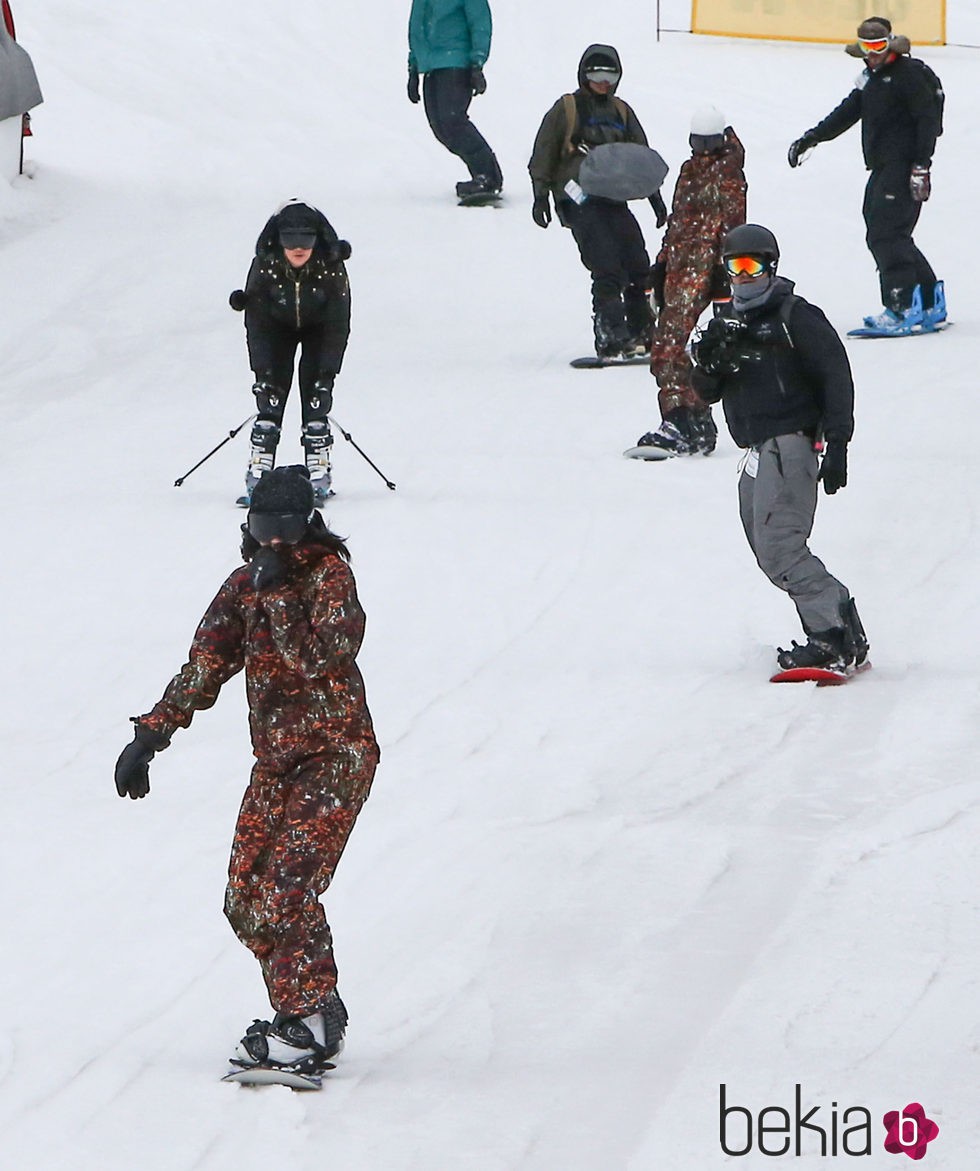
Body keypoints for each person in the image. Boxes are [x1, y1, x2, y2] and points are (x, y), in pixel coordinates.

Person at [114, 466, 380, 1075]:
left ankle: (305, 1023)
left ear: (310, 524)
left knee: (285, 890)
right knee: (246, 899)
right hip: (277, 766)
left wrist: (281, 592)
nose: (275, 544)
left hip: (335, 759)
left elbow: (319, 659)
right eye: (264, 529)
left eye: (287, 530)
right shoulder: (244, 586)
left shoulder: (329, 580)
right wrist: (152, 733)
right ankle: (314, 1009)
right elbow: (206, 661)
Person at [689, 224, 869, 673]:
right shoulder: (725, 323)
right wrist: (710, 366)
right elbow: (706, 391)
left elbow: (835, 375)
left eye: (754, 265)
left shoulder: (795, 317)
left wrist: (838, 442)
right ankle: (844, 629)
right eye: (736, 266)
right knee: (766, 549)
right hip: (754, 451)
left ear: (772, 266)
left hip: (789, 444)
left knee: (781, 548)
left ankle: (830, 637)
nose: (745, 276)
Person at [787, 16, 944, 336]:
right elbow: (848, 111)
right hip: (884, 167)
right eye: (867, 47)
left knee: (885, 234)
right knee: (888, 230)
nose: (873, 53)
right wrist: (811, 138)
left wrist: (920, 164)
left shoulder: (907, 75)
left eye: (878, 46)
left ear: (890, 44)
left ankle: (901, 307)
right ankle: (928, 301)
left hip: (903, 167)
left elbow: (927, 120)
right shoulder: (870, 78)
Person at [528, 44, 668, 359]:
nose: (603, 81)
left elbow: (638, 156)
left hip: (612, 198)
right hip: (577, 199)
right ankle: (610, 333)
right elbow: (544, 151)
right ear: (584, 74)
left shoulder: (621, 111)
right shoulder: (567, 109)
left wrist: (654, 196)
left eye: (610, 74)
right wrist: (541, 195)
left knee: (636, 262)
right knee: (606, 265)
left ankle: (642, 330)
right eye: (596, 73)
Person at [632, 106, 746, 458]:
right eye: (697, 142)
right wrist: (661, 265)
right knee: (669, 347)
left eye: (709, 142)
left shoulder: (729, 175)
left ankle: (680, 420)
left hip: (703, 272)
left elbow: (733, 227)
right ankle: (694, 420)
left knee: (667, 348)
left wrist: (725, 280)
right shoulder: (688, 171)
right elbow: (678, 223)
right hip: (681, 271)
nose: (702, 149)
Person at [229, 200, 352, 506]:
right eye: (291, 241)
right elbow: (256, 324)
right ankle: (259, 472)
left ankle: (318, 471)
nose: (299, 249)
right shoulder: (266, 264)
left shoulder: (331, 265)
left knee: (316, 399)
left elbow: (338, 324)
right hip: (276, 329)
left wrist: (326, 375)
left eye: (306, 241)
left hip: (319, 330)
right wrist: (263, 374)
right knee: (269, 400)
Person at [407, 0, 503, 201]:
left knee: (453, 122)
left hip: (456, 62)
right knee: (441, 127)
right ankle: (482, 174)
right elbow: (417, 29)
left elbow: (480, 22)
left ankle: (488, 175)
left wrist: (477, 62)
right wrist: (413, 68)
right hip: (431, 66)